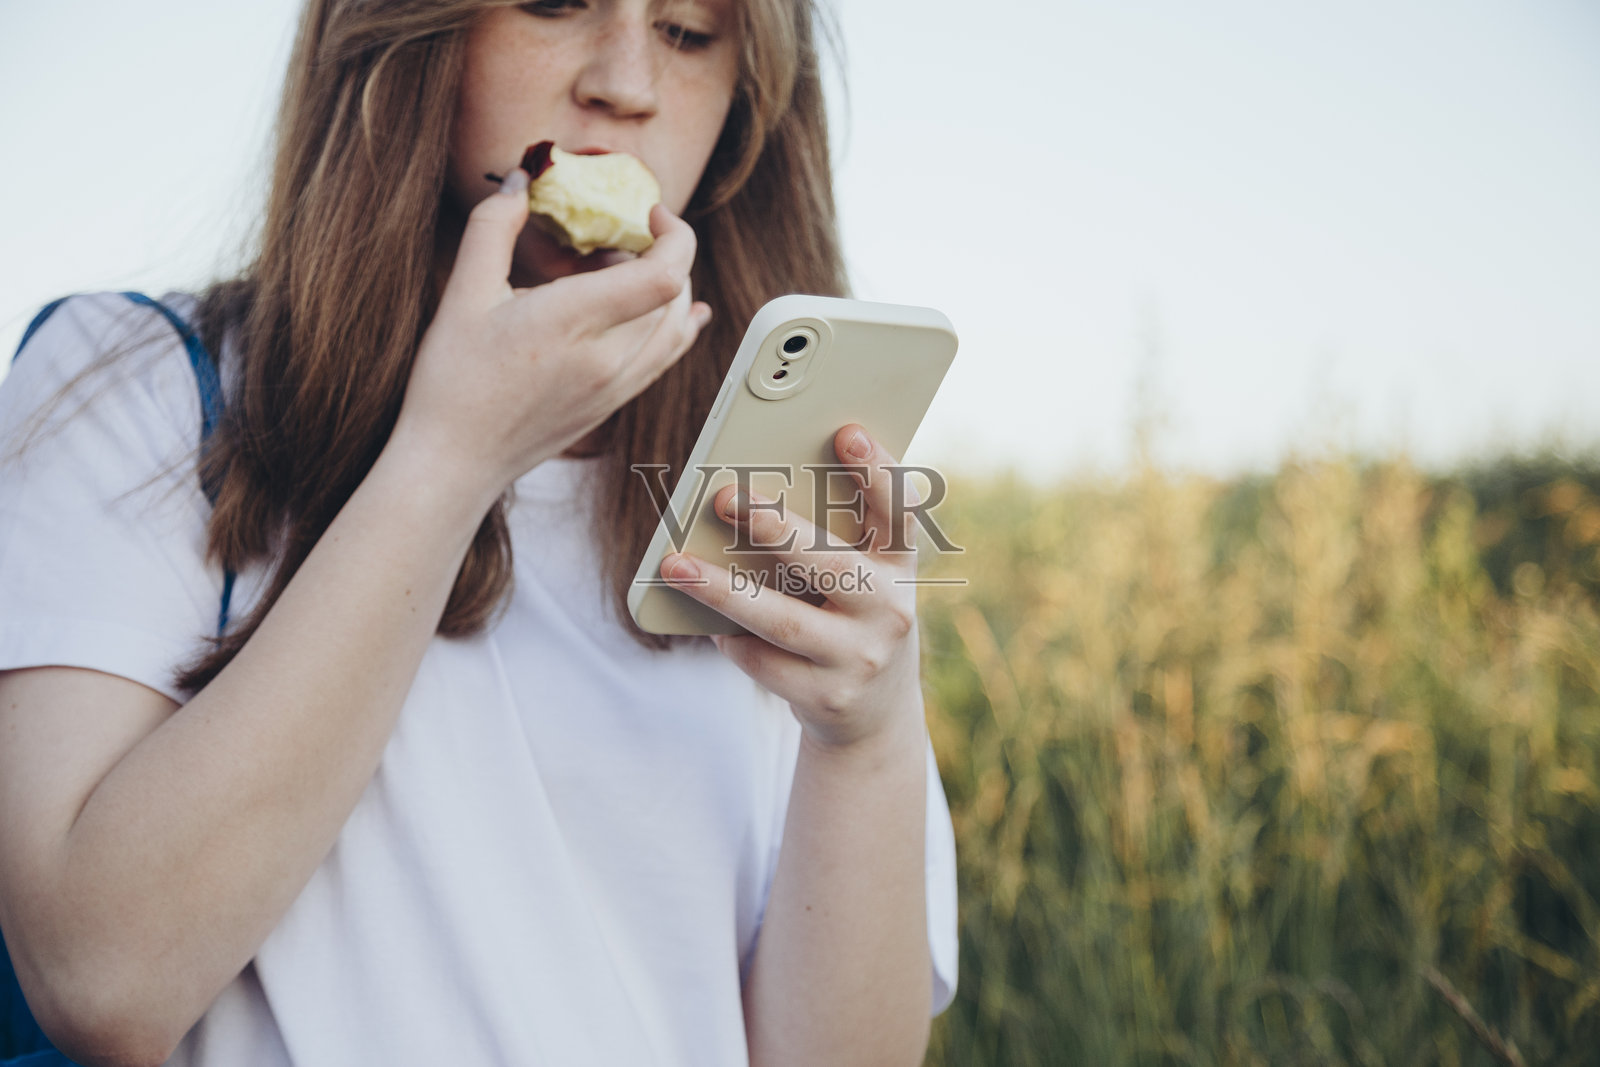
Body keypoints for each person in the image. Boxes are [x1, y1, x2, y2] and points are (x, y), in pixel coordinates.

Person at [0, 1, 958, 1065]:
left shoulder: (770, 484)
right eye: (554, 3)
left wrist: (864, 743)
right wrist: (450, 456)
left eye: (687, 30)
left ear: (749, 100)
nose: (625, 83)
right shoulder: (135, 387)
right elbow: (99, 979)